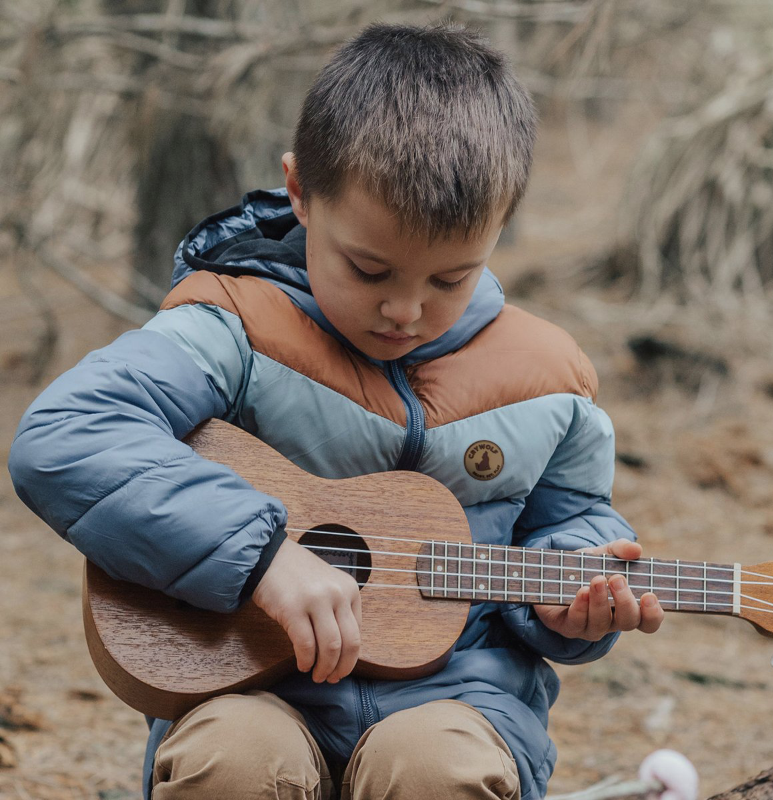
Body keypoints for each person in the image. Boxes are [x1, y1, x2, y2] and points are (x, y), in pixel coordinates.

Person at [8, 20, 664, 800]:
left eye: (450, 280)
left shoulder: (549, 377)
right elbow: (66, 435)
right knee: (233, 759)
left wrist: (574, 604)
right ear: (299, 193)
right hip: (250, 685)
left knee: (434, 769)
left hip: (458, 698)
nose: (406, 310)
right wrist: (262, 556)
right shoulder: (233, 328)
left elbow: (572, 524)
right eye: (369, 267)